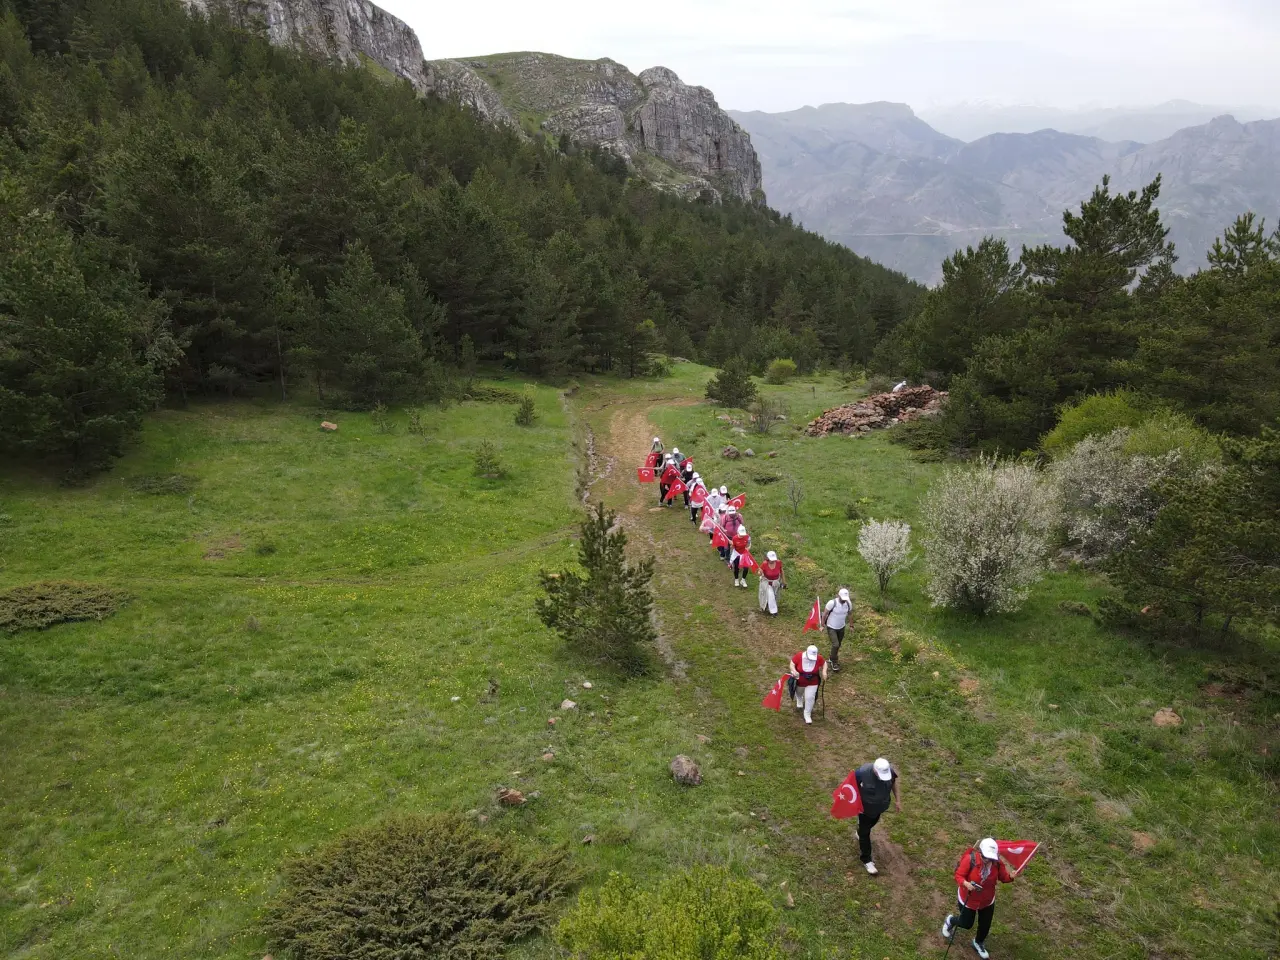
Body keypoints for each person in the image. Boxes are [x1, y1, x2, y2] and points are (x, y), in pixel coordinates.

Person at [941, 838, 1016, 959]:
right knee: (966, 923)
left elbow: (1003, 877)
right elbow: (959, 875)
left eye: (991, 858)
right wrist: (966, 884)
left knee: (985, 925)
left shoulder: (997, 863)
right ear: (980, 853)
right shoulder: (969, 860)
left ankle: (978, 942)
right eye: (986, 857)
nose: (988, 860)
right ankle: (950, 921)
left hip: (987, 900)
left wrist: (1010, 877)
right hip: (968, 898)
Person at [853, 758, 901, 875]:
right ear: (875, 770)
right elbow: (851, 787)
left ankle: (860, 832)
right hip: (864, 810)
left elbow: (893, 782)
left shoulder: (889, 771)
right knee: (865, 833)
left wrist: (898, 800)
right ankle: (867, 860)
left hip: (879, 808)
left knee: (873, 822)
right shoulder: (861, 773)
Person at [789, 644, 827, 723]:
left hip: (813, 681)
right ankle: (799, 699)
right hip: (800, 680)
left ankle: (807, 713)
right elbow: (792, 664)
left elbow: (824, 663)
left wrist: (824, 672)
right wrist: (794, 671)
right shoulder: (799, 656)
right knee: (799, 692)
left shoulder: (818, 658)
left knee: (810, 697)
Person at [822, 587, 854, 672]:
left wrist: (851, 626)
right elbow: (825, 614)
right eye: (842, 598)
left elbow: (850, 614)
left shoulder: (848, 604)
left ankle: (832, 657)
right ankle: (834, 662)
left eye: (845, 599)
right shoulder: (832, 603)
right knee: (835, 644)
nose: (844, 600)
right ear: (838, 596)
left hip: (841, 627)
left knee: (838, 644)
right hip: (831, 627)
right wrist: (822, 625)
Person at [758, 550, 785, 615]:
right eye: (771, 559)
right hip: (766, 582)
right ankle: (773, 611)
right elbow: (759, 573)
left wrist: (784, 581)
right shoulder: (764, 564)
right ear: (768, 558)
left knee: (775, 595)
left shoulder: (778, 562)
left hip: (775, 582)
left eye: (773, 559)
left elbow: (781, 571)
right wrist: (760, 572)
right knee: (770, 595)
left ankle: (768, 606)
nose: (772, 561)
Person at [729, 522, 751, 587]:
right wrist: (732, 544)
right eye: (741, 534)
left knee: (746, 568)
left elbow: (749, 544)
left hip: (744, 553)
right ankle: (736, 579)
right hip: (736, 554)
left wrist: (748, 548)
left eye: (743, 534)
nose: (742, 535)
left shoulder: (747, 537)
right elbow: (732, 547)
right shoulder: (734, 538)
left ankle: (743, 580)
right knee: (736, 567)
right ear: (738, 532)